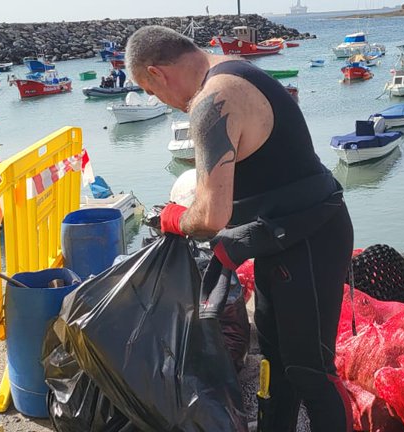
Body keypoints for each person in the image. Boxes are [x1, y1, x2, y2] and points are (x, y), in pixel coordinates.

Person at [127, 25, 354, 431]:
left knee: (310, 370)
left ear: (157, 73)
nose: (158, 101)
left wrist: (174, 218)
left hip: (311, 239)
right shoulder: (232, 69)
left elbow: (212, 215)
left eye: (151, 90)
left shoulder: (212, 102)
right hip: (279, 238)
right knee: (274, 363)